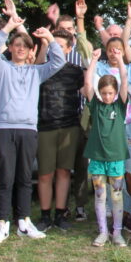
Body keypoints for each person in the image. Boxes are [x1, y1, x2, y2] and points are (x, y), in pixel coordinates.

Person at [0, 9, 66, 244]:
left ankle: (24, 221)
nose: (20, 48)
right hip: (4, 128)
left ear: (31, 50)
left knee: (23, 177)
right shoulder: (2, 68)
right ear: (10, 48)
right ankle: (2, 223)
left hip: (28, 129)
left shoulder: (36, 72)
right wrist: (9, 27)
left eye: (25, 46)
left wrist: (50, 39)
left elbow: (59, 61)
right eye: (16, 45)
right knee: (6, 177)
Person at [35, 29, 87, 231]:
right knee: (45, 174)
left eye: (59, 46)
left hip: (69, 127)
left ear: (68, 49)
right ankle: (45, 215)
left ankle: (60, 212)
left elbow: (88, 90)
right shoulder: (41, 69)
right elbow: (36, 65)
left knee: (64, 172)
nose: (54, 49)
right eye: (51, 45)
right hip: (45, 127)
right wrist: (43, 44)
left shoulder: (75, 71)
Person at [81, 42, 130, 247]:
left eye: (111, 93)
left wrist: (119, 59)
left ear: (116, 93)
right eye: (105, 93)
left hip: (116, 157)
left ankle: (117, 232)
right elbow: (88, 83)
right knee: (100, 196)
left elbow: (125, 79)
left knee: (116, 196)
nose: (108, 96)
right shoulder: (96, 104)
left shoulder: (120, 105)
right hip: (97, 158)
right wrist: (92, 60)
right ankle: (102, 231)